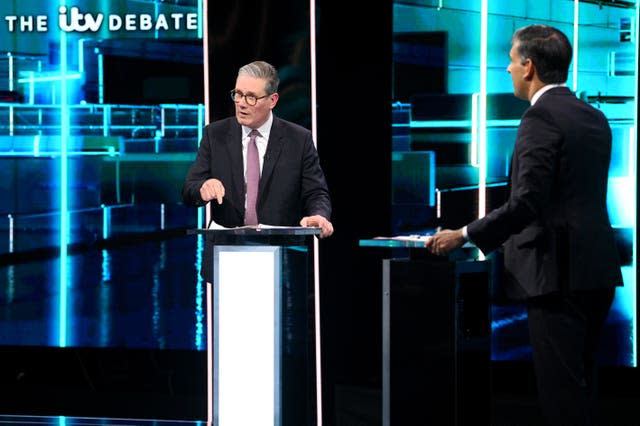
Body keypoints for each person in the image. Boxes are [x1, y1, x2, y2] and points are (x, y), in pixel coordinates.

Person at [425, 25, 623, 425]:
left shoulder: (540, 118)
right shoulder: (593, 117)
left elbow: (527, 203)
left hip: (555, 276)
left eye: (512, 62)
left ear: (529, 66)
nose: (508, 70)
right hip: (596, 271)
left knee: (562, 398)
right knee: (582, 391)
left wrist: (464, 234)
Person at [182, 60, 333, 282]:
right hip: (227, 258)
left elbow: (316, 192)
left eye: (251, 97)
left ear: (273, 100)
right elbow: (189, 189)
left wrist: (319, 216)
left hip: (282, 260)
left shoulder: (298, 139)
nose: (242, 103)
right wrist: (202, 189)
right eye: (238, 94)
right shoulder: (215, 135)